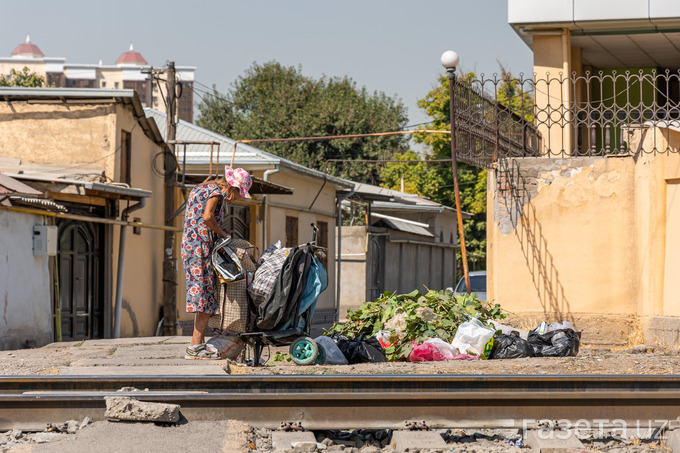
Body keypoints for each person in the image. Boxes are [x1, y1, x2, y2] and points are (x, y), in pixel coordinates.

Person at [181, 166, 252, 359]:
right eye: (238, 194)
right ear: (232, 187)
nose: (236, 199)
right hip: (200, 248)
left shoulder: (203, 187)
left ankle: (198, 343)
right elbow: (207, 217)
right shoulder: (215, 193)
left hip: (192, 247)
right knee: (205, 296)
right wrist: (223, 233)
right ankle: (195, 347)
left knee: (204, 296)